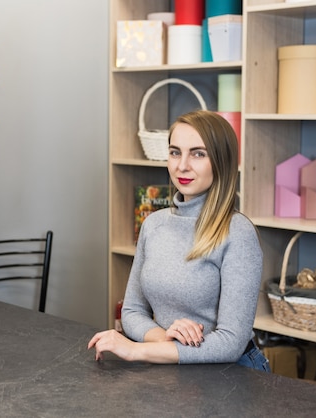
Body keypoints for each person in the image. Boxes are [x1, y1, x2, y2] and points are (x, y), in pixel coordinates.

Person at [88, 110, 270, 371]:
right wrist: (166, 340)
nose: (182, 165)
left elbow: (232, 342)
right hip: (173, 366)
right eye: (175, 152)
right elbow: (132, 312)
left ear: (221, 161)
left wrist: (135, 350)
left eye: (198, 153)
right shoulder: (153, 224)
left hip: (232, 373)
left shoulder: (238, 232)